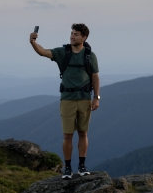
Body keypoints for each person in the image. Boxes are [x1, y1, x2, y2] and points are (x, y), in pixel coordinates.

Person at [29, 23, 100, 179]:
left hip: (85, 98)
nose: (72, 36)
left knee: (83, 133)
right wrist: (33, 43)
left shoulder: (90, 56)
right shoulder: (63, 52)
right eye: (72, 33)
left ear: (84, 37)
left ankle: (82, 166)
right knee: (67, 135)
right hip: (67, 99)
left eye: (76, 34)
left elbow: (95, 76)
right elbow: (43, 52)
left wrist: (97, 97)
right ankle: (67, 168)